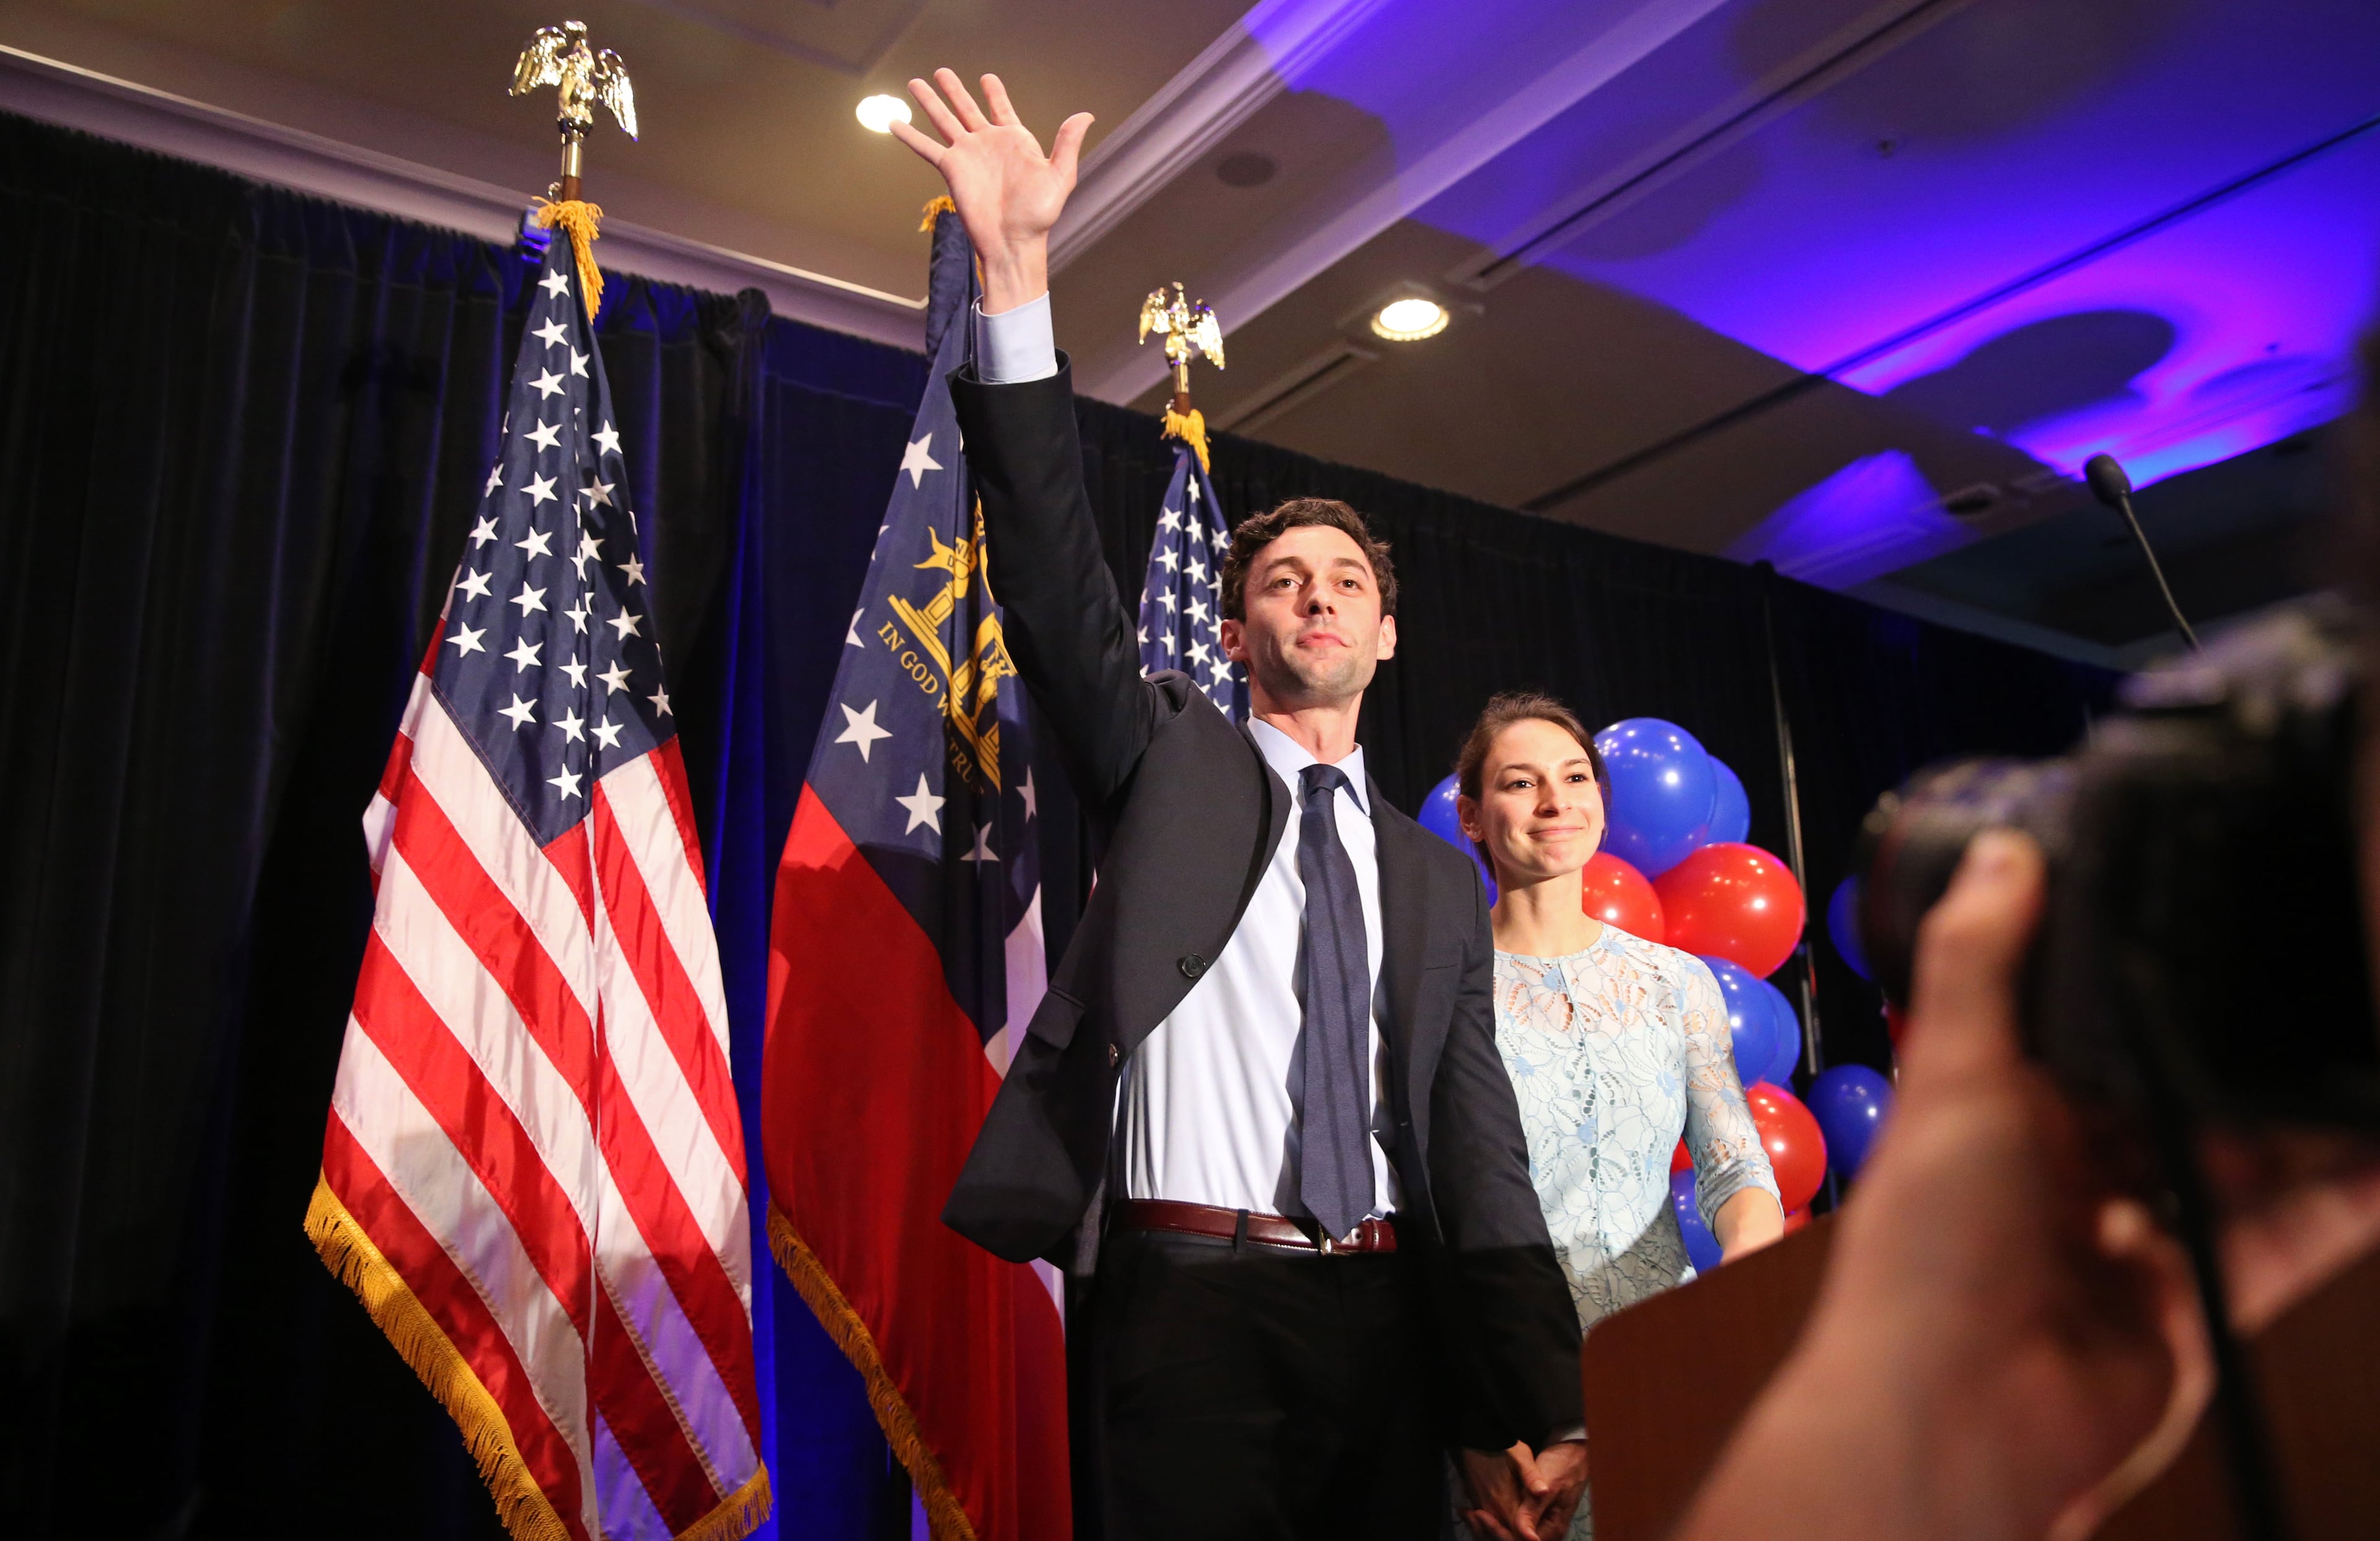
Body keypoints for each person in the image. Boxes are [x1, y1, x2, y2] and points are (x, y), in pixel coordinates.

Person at [889, 69, 1589, 1541]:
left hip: (1390, 1316)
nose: (1318, 597)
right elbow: (1055, 577)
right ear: (1232, 631)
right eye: (1283, 579)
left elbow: (1476, 1148)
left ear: (1388, 634)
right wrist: (1016, 273)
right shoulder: (1167, 760)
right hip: (1186, 1312)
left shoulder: (1435, 876)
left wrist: (1524, 1391)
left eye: (1347, 583)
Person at [1452, 693, 1784, 1540]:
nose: (1556, 803)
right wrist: (1473, 1428)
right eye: (1521, 784)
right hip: (1505, 1400)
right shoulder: (1440, 989)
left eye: (1574, 778)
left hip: (1661, 1376)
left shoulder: (1679, 983)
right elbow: (1425, 1213)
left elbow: (1736, 1168)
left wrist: (1740, 1294)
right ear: (1472, 818)